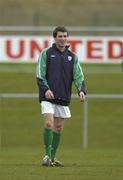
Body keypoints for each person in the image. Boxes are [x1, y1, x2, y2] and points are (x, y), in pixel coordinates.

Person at [36, 26, 86, 167]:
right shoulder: (46, 53)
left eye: (65, 36)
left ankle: (52, 158)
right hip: (48, 96)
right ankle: (46, 156)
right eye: (60, 36)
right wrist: (45, 89)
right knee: (48, 123)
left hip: (63, 97)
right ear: (55, 37)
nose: (63, 39)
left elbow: (79, 76)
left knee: (58, 128)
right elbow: (40, 74)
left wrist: (81, 90)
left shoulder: (72, 57)